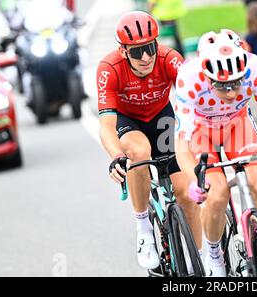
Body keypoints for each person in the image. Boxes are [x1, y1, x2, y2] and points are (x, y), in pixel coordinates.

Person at [174, 29, 257, 277]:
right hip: (202, 131)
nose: (232, 93)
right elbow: (182, 144)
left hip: (238, 125)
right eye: (223, 86)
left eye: (236, 84)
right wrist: (195, 181)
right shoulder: (189, 77)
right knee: (216, 194)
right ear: (207, 77)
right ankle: (214, 255)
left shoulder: (255, 67)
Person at [96, 11, 202, 270]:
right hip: (127, 121)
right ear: (123, 51)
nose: (145, 57)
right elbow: (107, 126)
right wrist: (116, 157)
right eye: (136, 52)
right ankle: (143, 227)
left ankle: (204, 262)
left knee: (186, 194)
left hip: (161, 118)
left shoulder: (169, 59)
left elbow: (196, 100)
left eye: (150, 47)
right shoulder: (109, 69)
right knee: (139, 152)